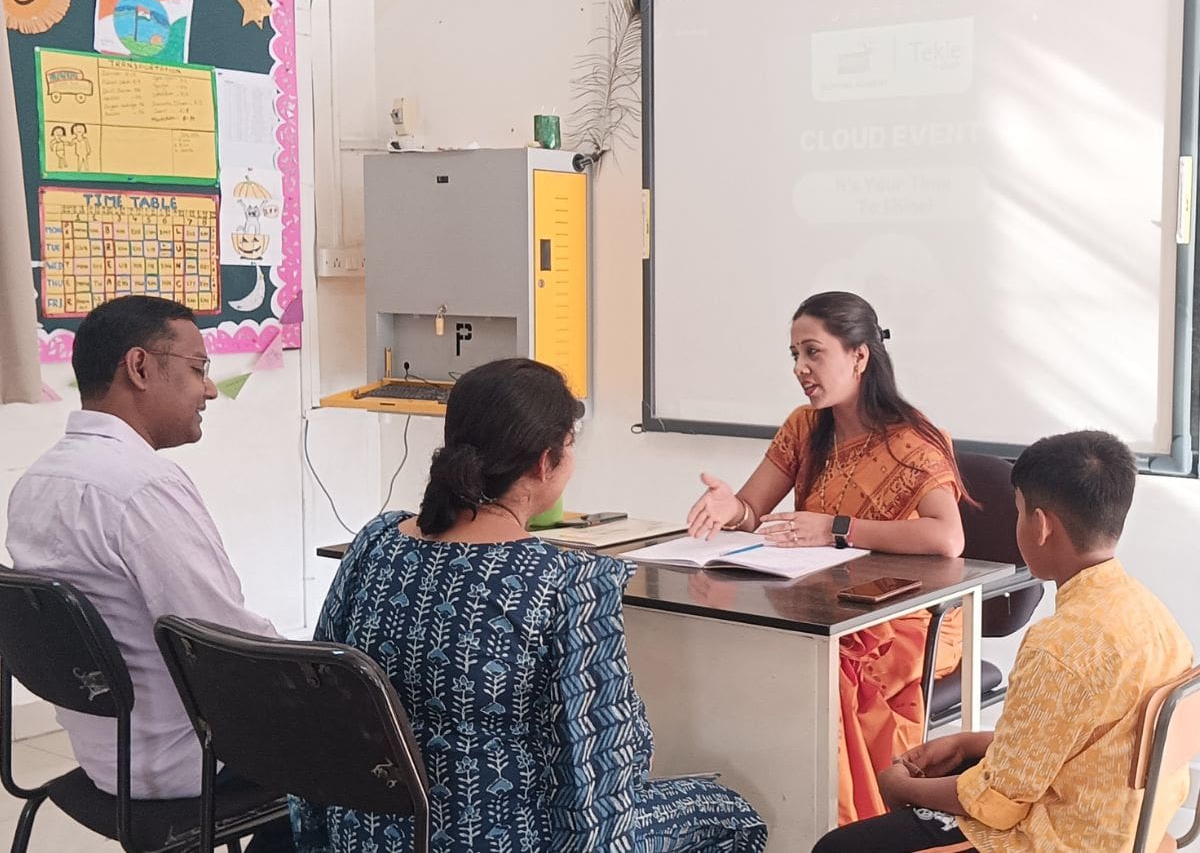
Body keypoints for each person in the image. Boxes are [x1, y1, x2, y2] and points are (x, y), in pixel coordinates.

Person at [292, 358, 767, 853]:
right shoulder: (568, 581)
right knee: (734, 816)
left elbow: (321, 692)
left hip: (363, 835)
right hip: (509, 838)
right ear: (545, 462)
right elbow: (602, 772)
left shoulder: (375, 541)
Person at [811, 430, 1193, 853]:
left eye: (1018, 512)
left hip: (1059, 841)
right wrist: (970, 743)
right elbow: (1096, 742)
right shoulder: (1152, 616)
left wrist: (901, 787)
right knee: (963, 769)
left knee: (837, 847)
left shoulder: (1057, 647)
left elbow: (997, 805)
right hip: (1130, 824)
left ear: (1041, 525)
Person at [5, 295, 293, 851]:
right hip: (182, 764)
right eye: (198, 369)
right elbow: (224, 643)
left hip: (104, 755)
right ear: (139, 367)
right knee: (372, 754)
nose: (209, 390)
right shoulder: (142, 487)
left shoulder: (37, 481)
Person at [687, 291, 967, 824]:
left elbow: (946, 538)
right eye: (794, 355)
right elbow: (754, 508)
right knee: (759, 648)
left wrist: (837, 530)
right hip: (822, 603)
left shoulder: (913, 442)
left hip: (905, 617)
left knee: (826, 668)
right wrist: (731, 509)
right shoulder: (804, 427)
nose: (800, 368)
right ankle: (776, 806)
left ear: (859, 355)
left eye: (813, 352)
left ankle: (844, 823)